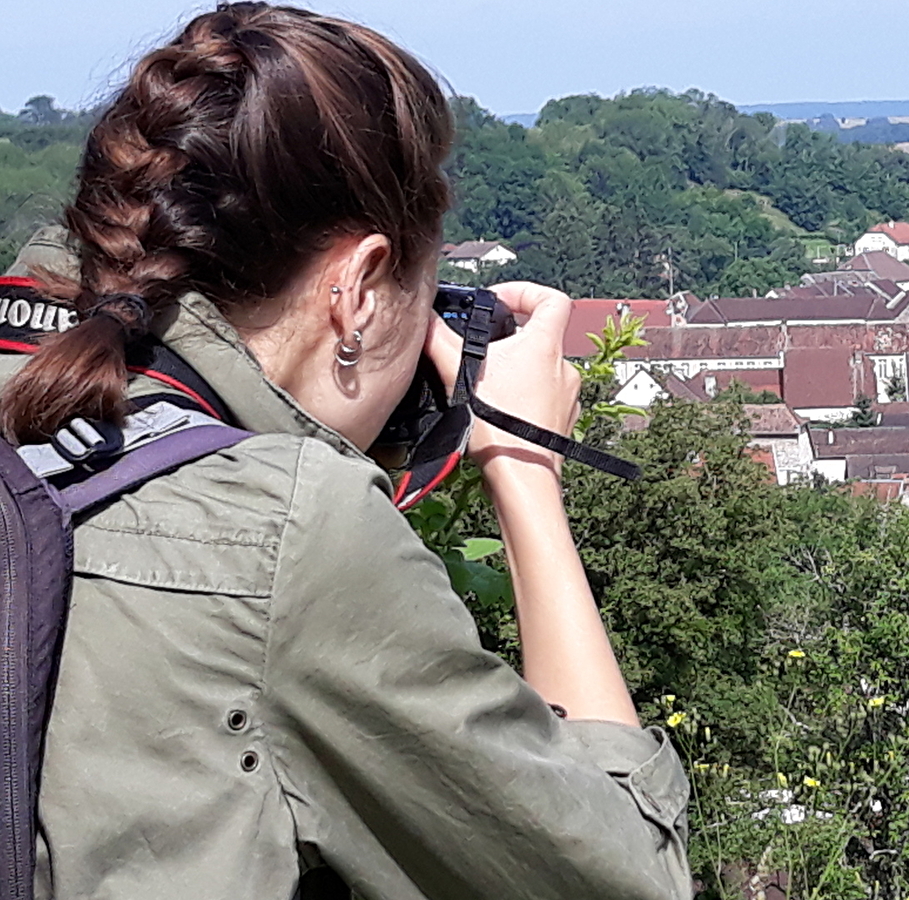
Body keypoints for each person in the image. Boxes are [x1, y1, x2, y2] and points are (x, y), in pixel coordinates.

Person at [0, 4, 689, 899]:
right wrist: (525, 466)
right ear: (358, 291)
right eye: (425, 291)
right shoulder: (288, 529)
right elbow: (623, 878)